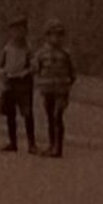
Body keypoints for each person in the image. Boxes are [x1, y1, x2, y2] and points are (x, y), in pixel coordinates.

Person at [33, 20, 76, 158]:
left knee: (57, 116)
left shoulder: (65, 54)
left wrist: (67, 85)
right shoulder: (41, 53)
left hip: (61, 90)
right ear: (47, 36)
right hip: (47, 90)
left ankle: (58, 147)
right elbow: (36, 69)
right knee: (50, 117)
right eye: (53, 35)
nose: (56, 39)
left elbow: (72, 72)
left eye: (59, 35)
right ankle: (51, 144)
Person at [0, 18, 37, 154]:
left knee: (27, 113)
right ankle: (12, 142)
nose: (18, 33)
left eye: (22, 30)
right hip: (10, 83)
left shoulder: (28, 49)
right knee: (10, 113)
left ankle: (31, 143)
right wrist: (3, 74)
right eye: (15, 30)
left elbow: (34, 66)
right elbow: (0, 65)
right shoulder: (7, 49)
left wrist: (26, 72)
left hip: (23, 84)